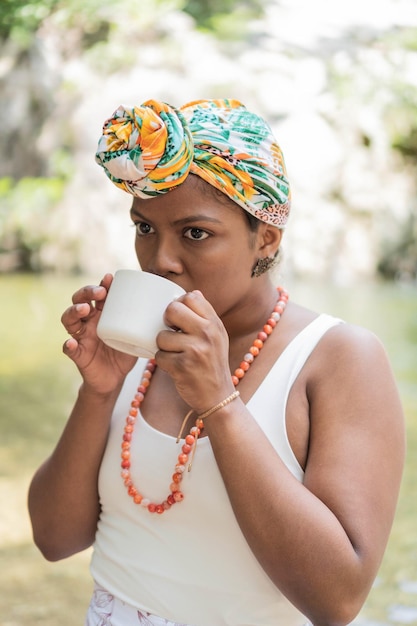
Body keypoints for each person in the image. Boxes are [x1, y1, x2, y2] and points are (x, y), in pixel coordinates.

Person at [28, 99, 405, 626]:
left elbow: (337, 600)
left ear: (266, 238)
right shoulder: (138, 342)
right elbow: (53, 538)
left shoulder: (338, 358)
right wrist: (98, 392)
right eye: (144, 228)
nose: (160, 260)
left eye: (195, 233)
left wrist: (221, 404)